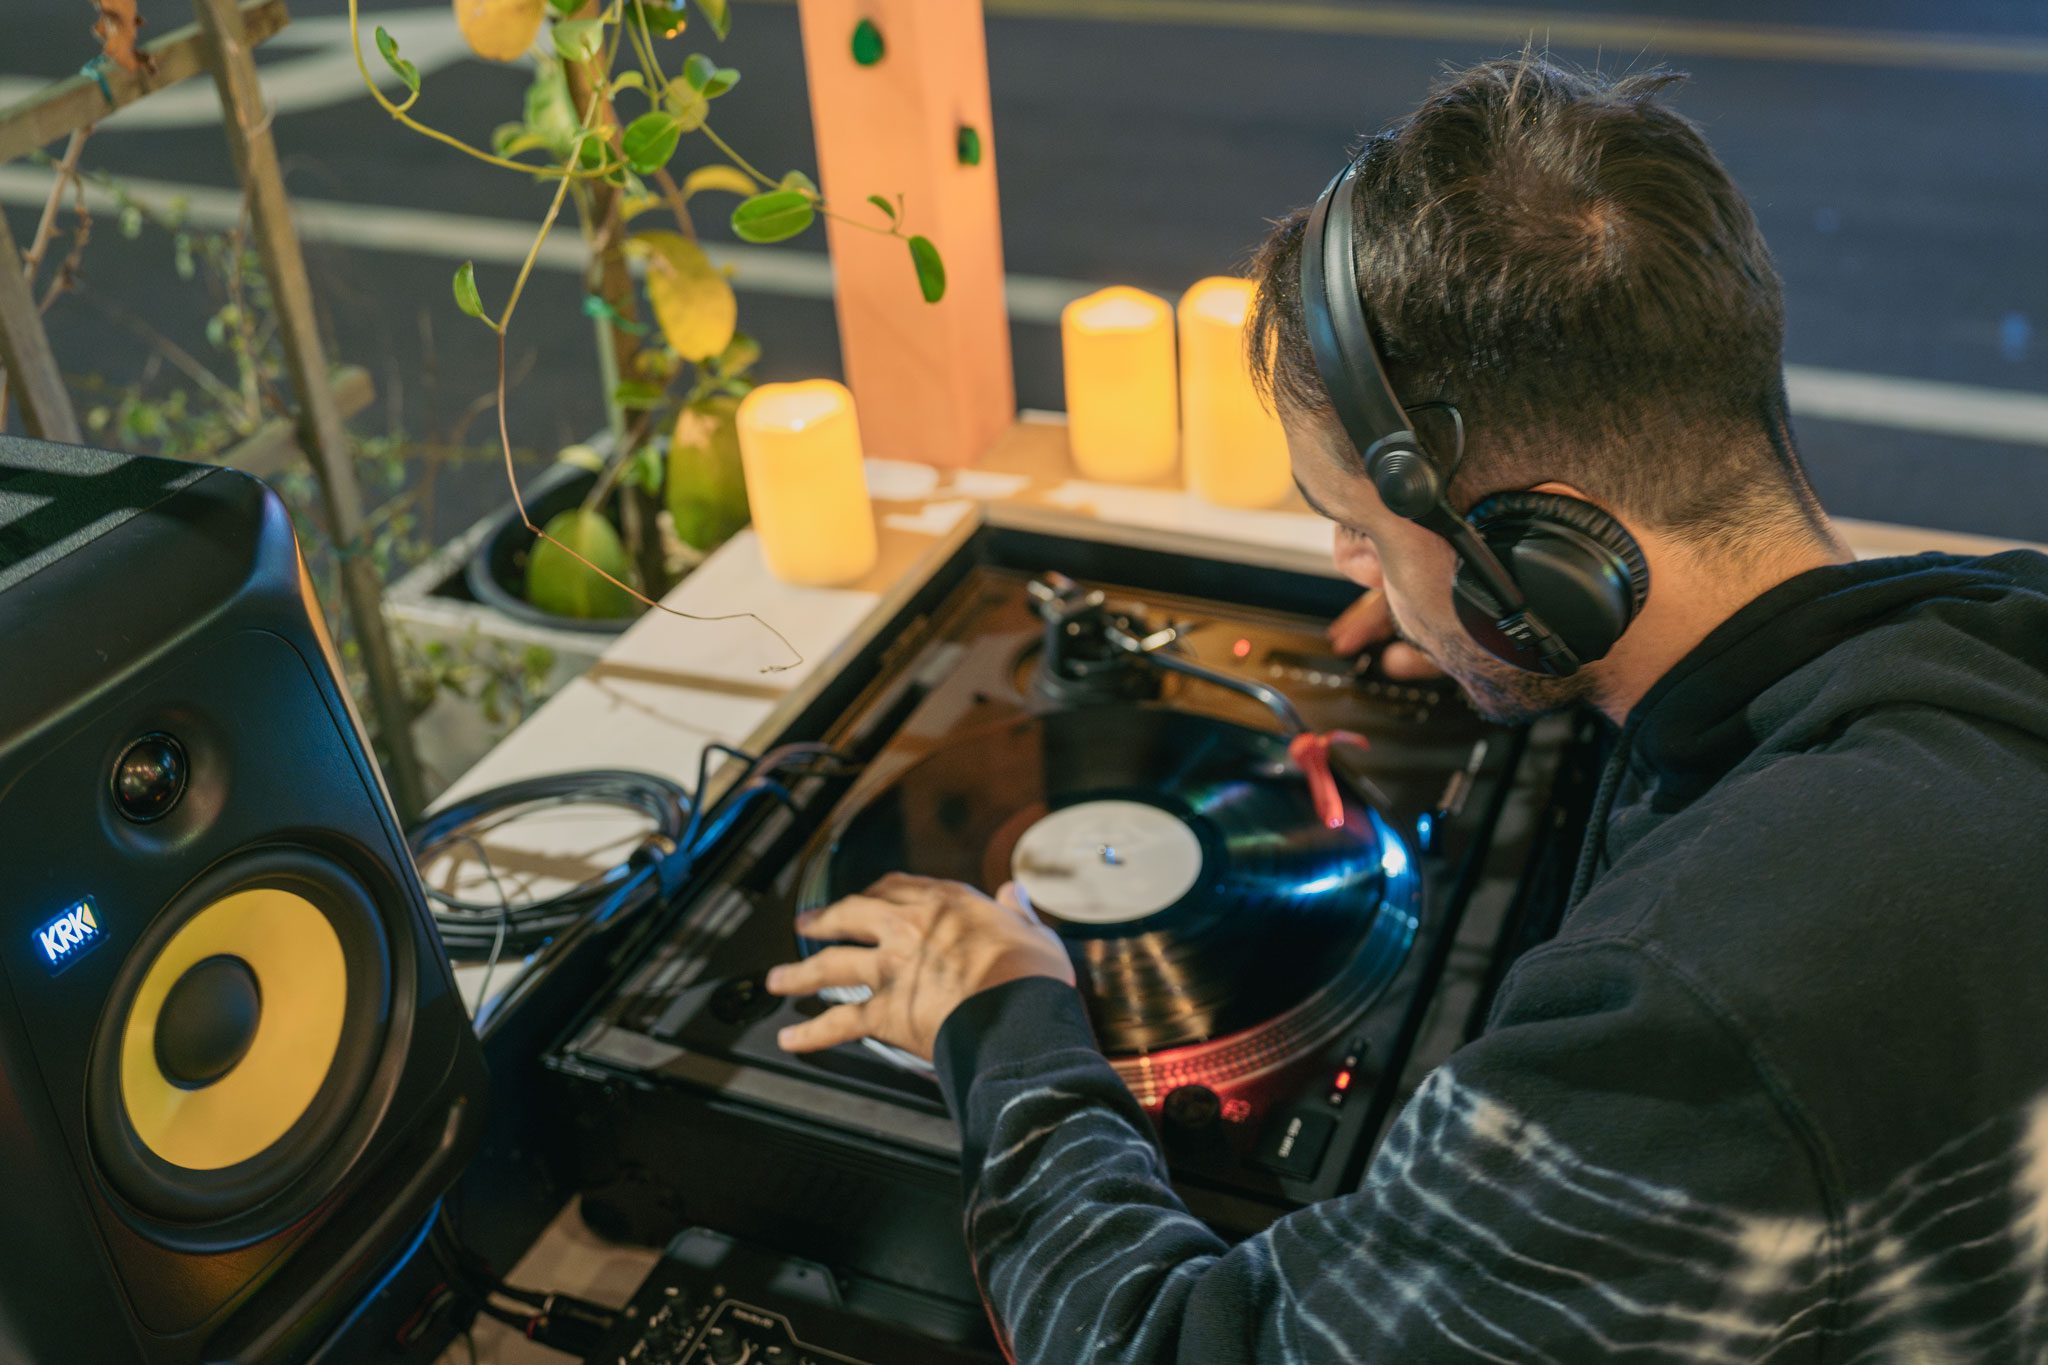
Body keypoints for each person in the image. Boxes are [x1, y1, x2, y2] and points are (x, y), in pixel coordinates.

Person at [766, 54, 2048, 1362]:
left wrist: (1006, 1017)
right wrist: (1514, 644)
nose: (1348, 570)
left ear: (1538, 555)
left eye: (1360, 533)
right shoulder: (1995, 642)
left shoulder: (1697, 1021)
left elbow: (1177, 1345)